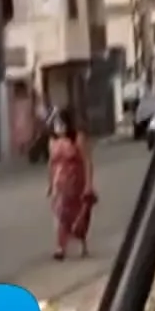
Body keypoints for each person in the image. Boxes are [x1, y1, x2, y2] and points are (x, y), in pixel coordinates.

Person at [45, 110, 95, 260]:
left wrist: (88, 184)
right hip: (59, 184)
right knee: (60, 213)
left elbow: (87, 161)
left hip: (75, 181)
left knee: (77, 214)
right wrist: (49, 184)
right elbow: (51, 163)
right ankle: (60, 247)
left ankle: (82, 242)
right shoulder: (52, 142)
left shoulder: (77, 139)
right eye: (56, 124)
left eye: (61, 123)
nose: (59, 127)